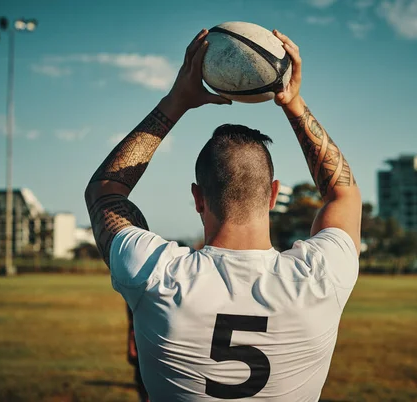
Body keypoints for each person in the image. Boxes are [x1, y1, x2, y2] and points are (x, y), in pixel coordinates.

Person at [85, 28, 361, 402]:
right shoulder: (320, 279)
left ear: (198, 199)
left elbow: (105, 191)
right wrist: (293, 103)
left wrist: (175, 102)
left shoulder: (156, 275)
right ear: (273, 195)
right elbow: (342, 191)